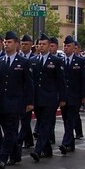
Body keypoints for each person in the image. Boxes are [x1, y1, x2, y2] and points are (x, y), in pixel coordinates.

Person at [0, 31, 33, 169]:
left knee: (10, 131)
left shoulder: (24, 62)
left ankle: (3, 158)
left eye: (9, 42)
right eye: (5, 42)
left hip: (15, 103)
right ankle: (16, 154)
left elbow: (28, 84)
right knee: (8, 131)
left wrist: (29, 102)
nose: (6, 44)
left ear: (16, 44)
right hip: (1, 102)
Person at [29, 33, 65, 161]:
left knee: (44, 124)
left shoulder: (56, 61)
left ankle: (38, 150)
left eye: (44, 44)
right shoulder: (33, 60)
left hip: (50, 99)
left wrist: (62, 98)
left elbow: (61, 81)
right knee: (42, 122)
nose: (41, 46)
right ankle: (47, 150)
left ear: (49, 46)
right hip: (38, 98)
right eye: (39, 44)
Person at [59, 36, 85, 153]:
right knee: (66, 119)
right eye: (65, 46)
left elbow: (84, 80)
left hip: (75, 96)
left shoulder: (80, 61)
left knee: (70, 120)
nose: (66, 48)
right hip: (63, 96)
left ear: (74, 47)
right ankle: (70, 144)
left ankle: (65, 143)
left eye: (68, 46)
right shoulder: (59, 61)